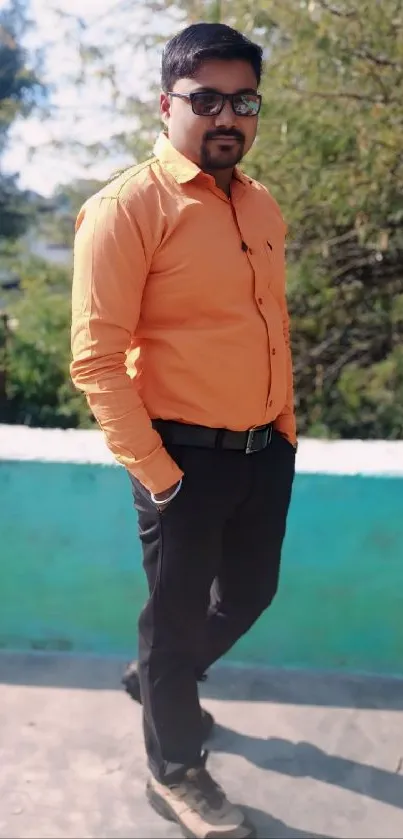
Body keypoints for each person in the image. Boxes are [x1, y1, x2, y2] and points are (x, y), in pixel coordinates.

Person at [71, 21, 296, 839]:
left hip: (263, 448)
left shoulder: (260, 203)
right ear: (168, 105)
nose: (226, 116)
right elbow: (95, 362)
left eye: (243, 100)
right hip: (179, 459)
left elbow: (268, 323)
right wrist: (162, 477)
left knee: (249, 592)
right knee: (172, 624)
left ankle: (162, 678)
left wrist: (285, 432)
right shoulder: (127, 208)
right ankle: (175, 766)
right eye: (206, 99)